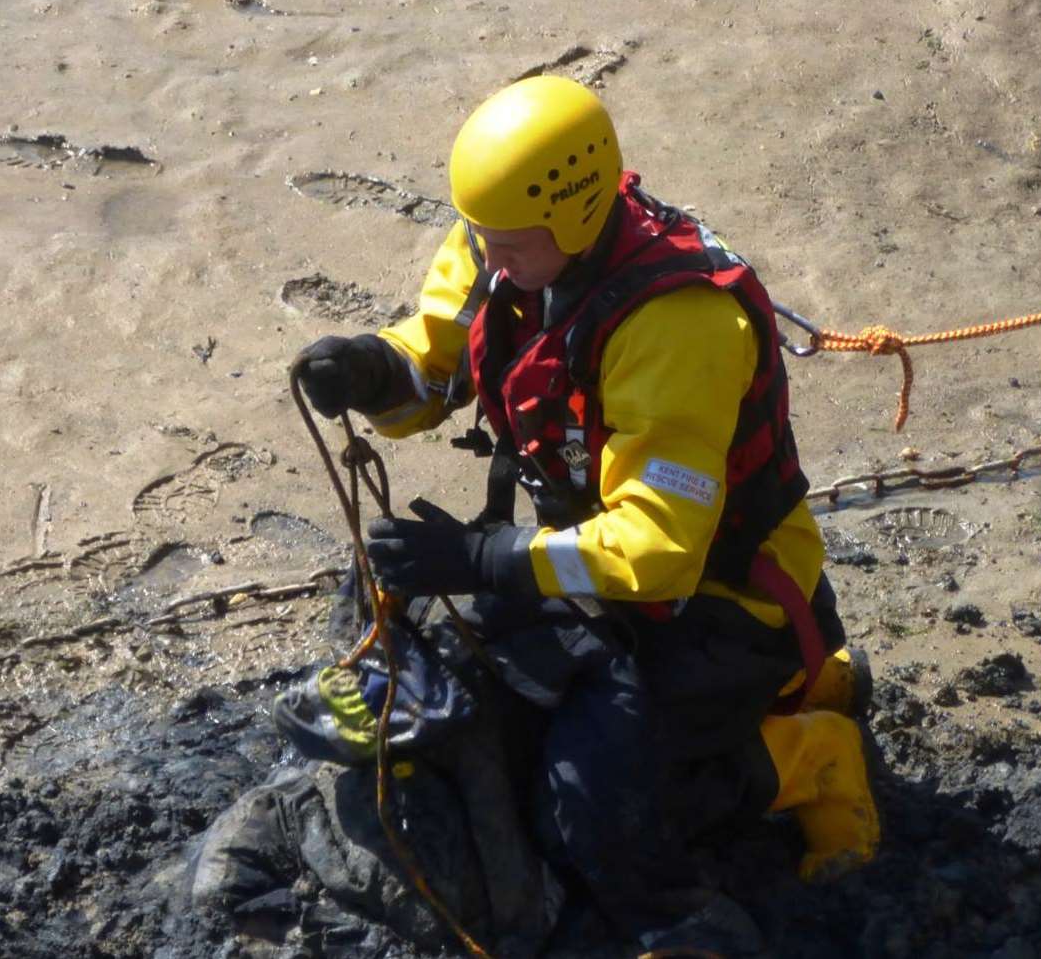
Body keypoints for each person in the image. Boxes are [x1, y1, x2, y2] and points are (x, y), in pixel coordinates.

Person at [291, 76, 878, 944]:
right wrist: (372, 369)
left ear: (571, 218)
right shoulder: (506, 239)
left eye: (508, 247)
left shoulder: (678, 326)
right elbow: (441, 356)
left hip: (718, 598)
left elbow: (660, 550)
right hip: (592, 563)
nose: (490, 260)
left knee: (586, 807)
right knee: (483, 699)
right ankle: (804, 675)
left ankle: (810, 759)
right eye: (479, 238)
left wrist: (487, 559)